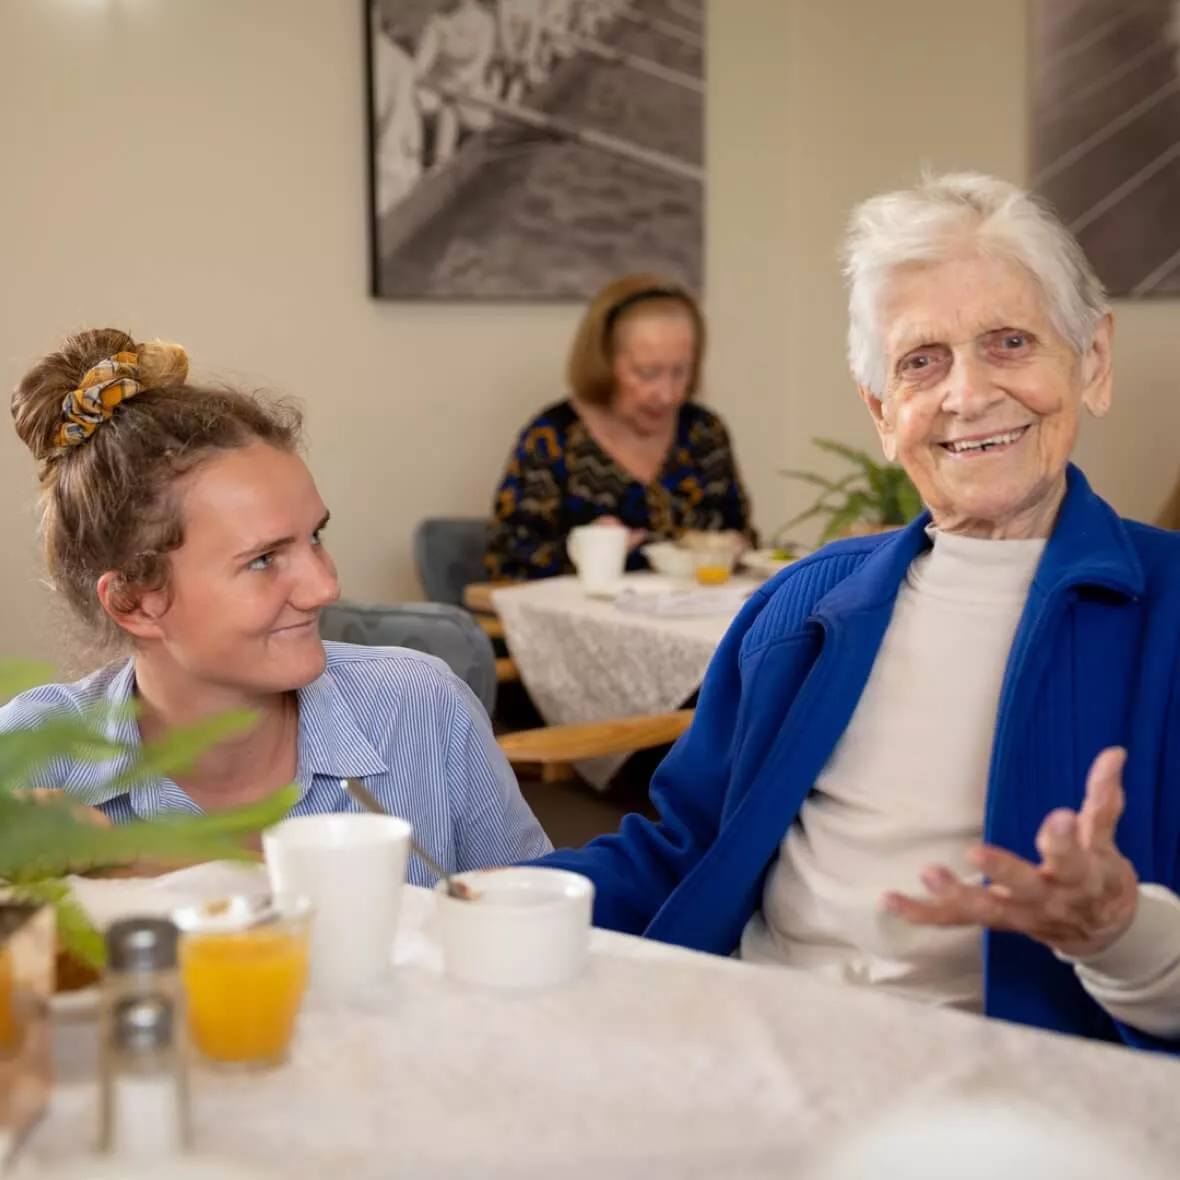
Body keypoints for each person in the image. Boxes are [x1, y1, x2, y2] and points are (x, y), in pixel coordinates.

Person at [535, 173, 1180, 1053]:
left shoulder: (1166, 611)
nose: (966, 394)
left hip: (1000, 1090)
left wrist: (1119, 932)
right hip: (748, 1049)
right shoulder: (802, 606)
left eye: (1009, 342)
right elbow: (682, 852)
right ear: (881, 409)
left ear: (1092, 362)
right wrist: (483, 899)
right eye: (921, 361)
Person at [1, 329, 550, 882]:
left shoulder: (425, 708)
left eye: (316, 537)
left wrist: (134, 857)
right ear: (133, 601)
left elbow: (536, 916)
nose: (324, 587)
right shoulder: (25, 754)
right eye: (263, 559)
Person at [485, 274, 756, 581]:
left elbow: (742, 535)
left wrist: (733, 548)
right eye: (647, 373)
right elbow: (506, 560)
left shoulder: (704, 433)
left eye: (680, 371)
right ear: (605, 363)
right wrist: (583, 549)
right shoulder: (553, 437)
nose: (667, 395)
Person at [414, 0, 497, 168]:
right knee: (446, 107)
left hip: (472, 90)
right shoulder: (438, 20)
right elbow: (422, 62)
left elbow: (480, 63)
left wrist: (459, 84)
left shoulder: (485, 22)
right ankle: (440, 161)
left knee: (479, 123)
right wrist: (415, 78)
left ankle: (444, 159)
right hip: (440, 87)